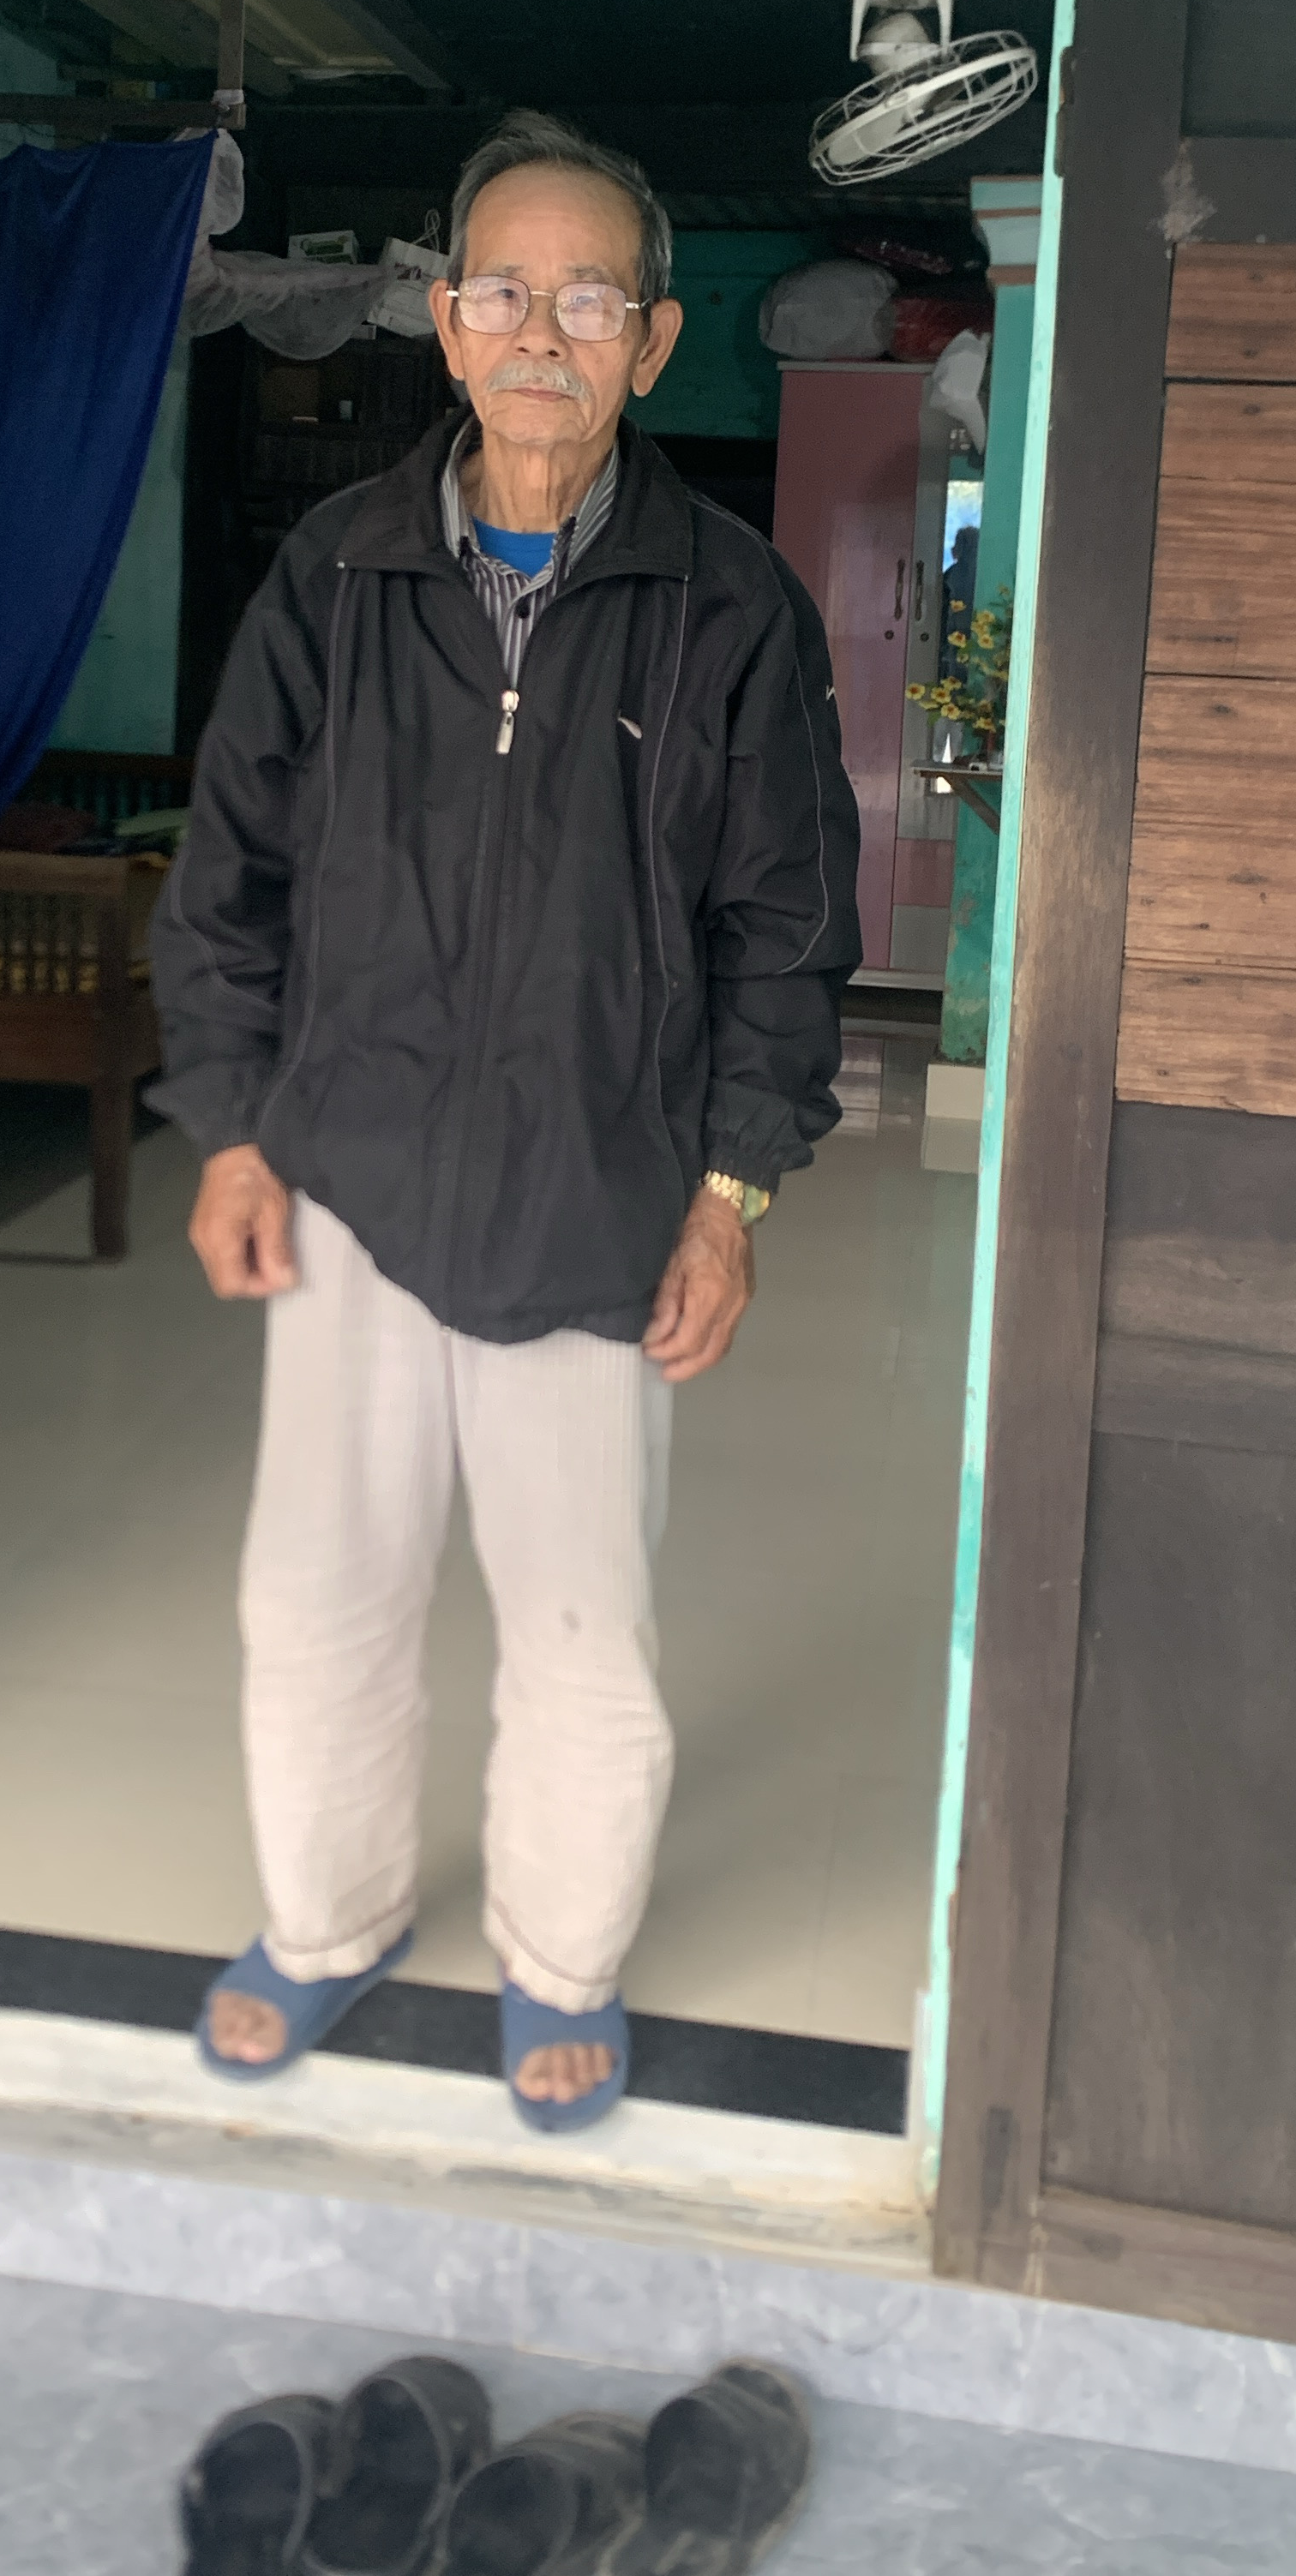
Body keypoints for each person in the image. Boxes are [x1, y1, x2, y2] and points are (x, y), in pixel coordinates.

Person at [149, 108, 861, 2132]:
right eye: (504, 292)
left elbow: (790, 927)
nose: (543, 333)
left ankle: (562, 1961)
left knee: (581, 1629)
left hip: (598, 1198)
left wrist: (730, 1190)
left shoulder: (731, 607)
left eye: (591, 299)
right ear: (446, 324)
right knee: (319, 1595)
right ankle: (331, 1919)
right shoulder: (337, 572)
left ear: (655, 341)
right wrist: (233, 1126)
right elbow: (230, 870)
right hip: (350, 1174)